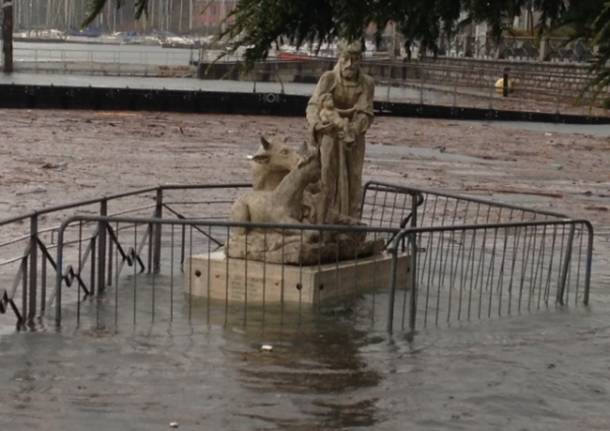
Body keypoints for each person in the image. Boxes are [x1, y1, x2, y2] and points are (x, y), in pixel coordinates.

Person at [306, 40, 375, 224]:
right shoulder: (328, 78)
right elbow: (313, 106)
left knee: (353, 179)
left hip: (354, 139)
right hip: (329, 136)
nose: (349, 64)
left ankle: (351, 225)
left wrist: (352, 130)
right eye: (346, 59)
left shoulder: (367, 83)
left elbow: (365, 113)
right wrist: (317, 124)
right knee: (327, 176)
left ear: (360, 60)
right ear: (339, 58)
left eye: (355, 59)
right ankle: (324, 221)